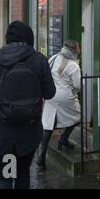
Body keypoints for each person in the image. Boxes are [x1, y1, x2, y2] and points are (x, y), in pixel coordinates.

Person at [0, 21, 56, 189]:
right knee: (23, 173)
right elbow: (50, 93)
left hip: (4, 130)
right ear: (29, 37)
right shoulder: (39, 60)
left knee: (4, 175)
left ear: (8, 38)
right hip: (30, 131)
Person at [37, 40, 82, 169]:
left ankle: (41, 156)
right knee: (77, 116)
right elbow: (78, 85)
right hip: (64, 96)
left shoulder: (53, 57)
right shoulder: (73, 65)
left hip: (50, 95)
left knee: (48, 125)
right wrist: (74, 91)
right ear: (75, 50)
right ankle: (64, 138)